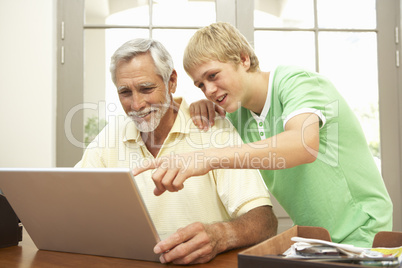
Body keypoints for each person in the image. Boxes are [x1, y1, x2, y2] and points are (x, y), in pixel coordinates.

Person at [132, 22, 393, 248]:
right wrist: (202, 104)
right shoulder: (236, 113)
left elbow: (303, 144)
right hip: (315, 239)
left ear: (243, 59)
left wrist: (208, 157)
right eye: (200, 84)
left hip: (363, 232)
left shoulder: (297, 82)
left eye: (213, 75)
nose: (208, 89)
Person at [75, 38, 278, 265]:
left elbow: (265, 221)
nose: (137, 104)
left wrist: (220, 235)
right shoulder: (110, 136)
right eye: (125, 92)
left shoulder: (213, 129)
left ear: (171, 82)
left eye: (146, 88)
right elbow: (71, 200)